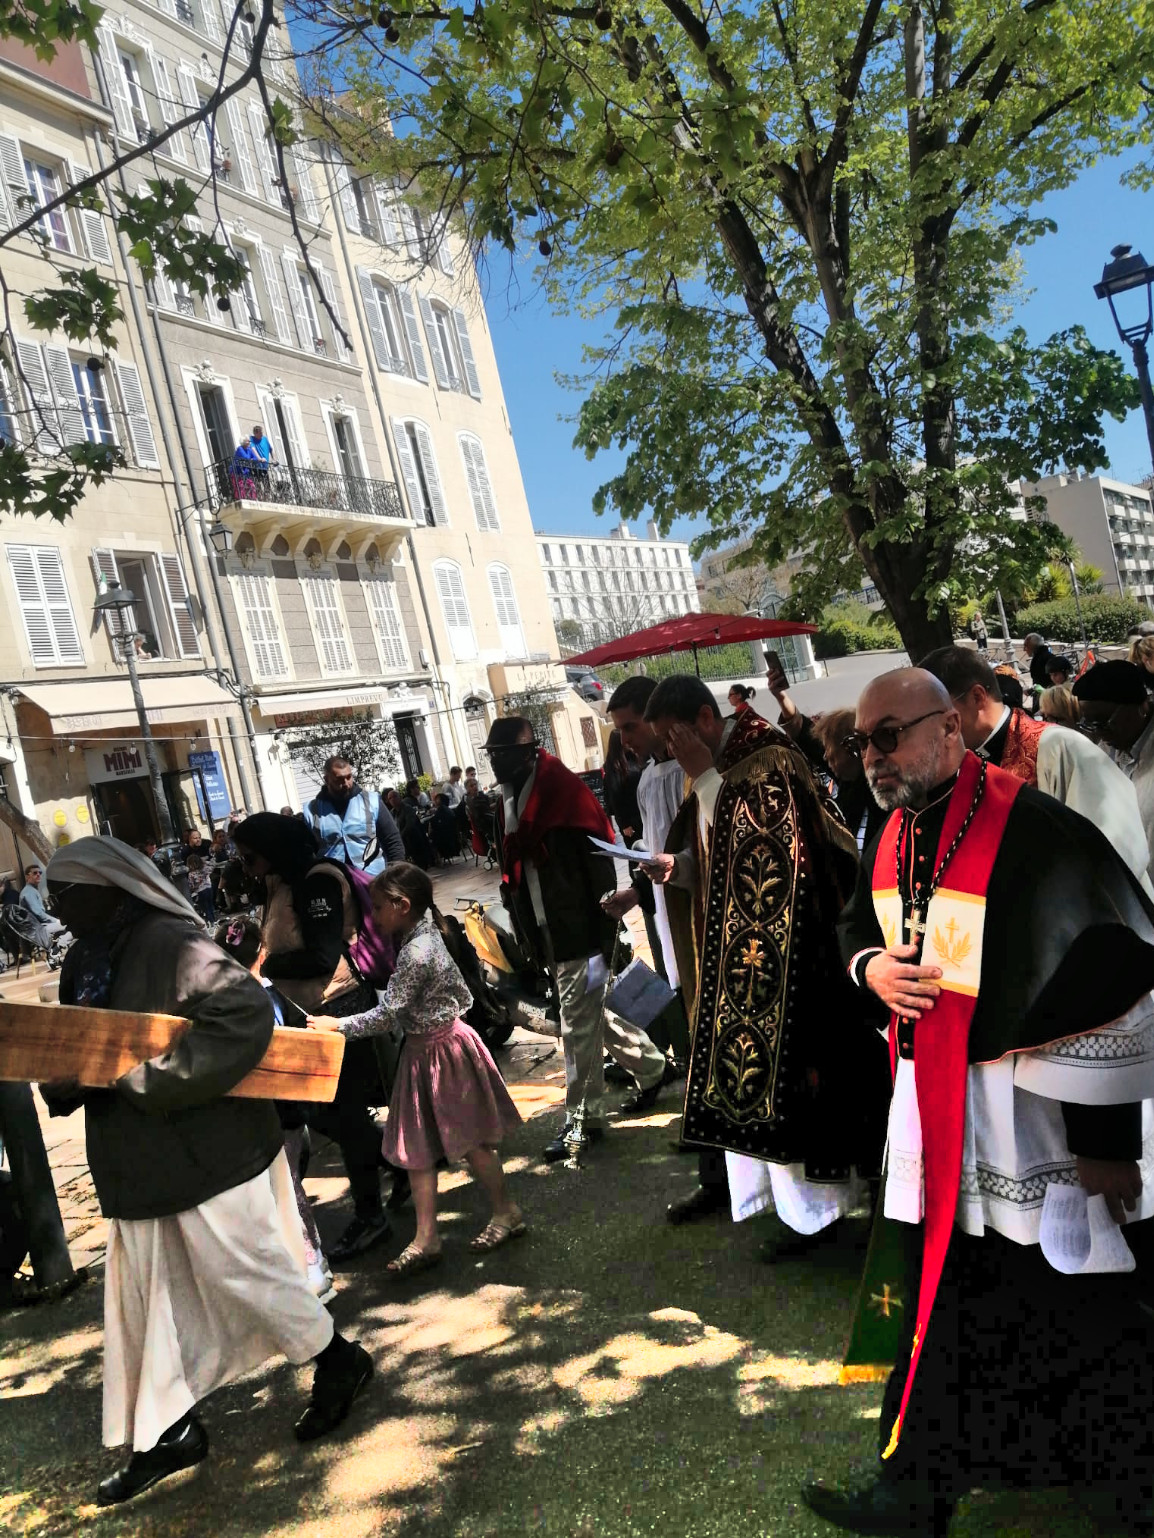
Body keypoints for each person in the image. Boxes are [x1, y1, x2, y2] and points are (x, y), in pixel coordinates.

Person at [810, 668, 1154, 1537]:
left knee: (1080, 1301)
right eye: (862, 742)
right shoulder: (888, 833)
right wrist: (869, 969)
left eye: (889, 736)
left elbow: (1109, 970)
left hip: (1027, 1115)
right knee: (947, 1297)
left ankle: (1123, 1486)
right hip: (930, 1114)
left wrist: (1105, 1138)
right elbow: (854, 931)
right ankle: (912, 1492)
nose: (873, 758)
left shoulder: (1031, 826)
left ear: (951, 728)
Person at [40, 838, 373, 1506]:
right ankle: (166, 1432)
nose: (57, 911)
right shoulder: (84, 958)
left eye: (66, 895)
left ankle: (339, 1361)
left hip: (206, 1154)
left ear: (108, 887)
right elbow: (85, 1042)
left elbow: (242, 1017)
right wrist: (66, 1079)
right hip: (137, 1165)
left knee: (246, 1275)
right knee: (146, 1304)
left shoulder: (172, 944)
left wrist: (144, 1082)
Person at [642, 676, 887, 1254]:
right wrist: (681, 868)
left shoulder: (764, 757)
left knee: (801, 1086)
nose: (664, 751)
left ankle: (821, 1215)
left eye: (669, 737)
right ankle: (796, 1214)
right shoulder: (713, 765)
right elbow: (718, 854)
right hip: (746, 955)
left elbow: (767, 860)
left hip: (795, 957)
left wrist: (704, 777)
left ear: (704, 718)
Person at [310, 863, 523, 1279]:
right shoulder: (419, 934)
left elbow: (389, 1015)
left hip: (442, 1053)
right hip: (425, 1052)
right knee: (417, 1149)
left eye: (376, 907)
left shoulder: (418, 951)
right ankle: (427, 1237)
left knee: (473, 1142)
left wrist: (338, 1026)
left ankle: (506, 1212)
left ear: (401, 906)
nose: (372, 915)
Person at [485, 716, 667, 1160]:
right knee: (589, 1014)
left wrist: (607, 928)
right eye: (491, 755)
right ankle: (653, 1067)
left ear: (527, 752)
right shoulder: (505, 803)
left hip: (582, 934)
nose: (494, 764)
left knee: (576, 1024)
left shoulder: (566, 793)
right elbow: (513, 878)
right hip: (546, 935)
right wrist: (526, 938)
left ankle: (581, 1121)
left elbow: (600, 862)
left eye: (501, 755)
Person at [231, 814, 401, 1263]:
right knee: (316, 1113)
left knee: (343, 1115)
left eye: (249, 857)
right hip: (304, 1013)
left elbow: (322, 957)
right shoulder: (278, 882)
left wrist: (266, 969)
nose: (245, 866)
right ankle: (396, 1161)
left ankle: (371, 1217)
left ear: (272, 847)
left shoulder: (316, 882)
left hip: (338, 1008)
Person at [920, 646, 1153, 890]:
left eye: (934, 715)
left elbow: (1114, 853)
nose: (930, 730)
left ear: (977, 697)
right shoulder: (960, 766)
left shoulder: (1059, 748)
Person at [213, 914, 334, 1304]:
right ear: (262, 954)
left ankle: (312, 1268)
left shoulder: (237, 1002)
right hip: (282, 1110)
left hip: (274, 1112)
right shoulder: (266, 996)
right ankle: (306, 1267)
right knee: (284, 1188)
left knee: (287, 1189)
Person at [605, 676, 687, 991]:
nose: (624, 740)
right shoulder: (646, 780)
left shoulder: (693, 768)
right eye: (619, 731)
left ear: (654, 718)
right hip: (665, 913)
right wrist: (635, 893)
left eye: (630, 727)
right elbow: (655, 848)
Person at [1072, 660, 1154, 886]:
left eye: (1103, 722)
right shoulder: (1109, 747)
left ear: (1142, 705)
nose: (1099, 732)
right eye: (1089, 723)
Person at [301, 755, 404, 875]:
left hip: (373, 879)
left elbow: (392, 840)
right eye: (338, 780)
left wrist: (396, 875)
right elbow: (305, 852)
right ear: (327, 780)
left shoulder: (372, 801)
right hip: (334, 881)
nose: (346, 783)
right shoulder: (311, 810)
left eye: (349, 777)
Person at [602, 728, 643, 843]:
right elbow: (616, 798)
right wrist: (625, 824)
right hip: (630, 821)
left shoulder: (632, 759)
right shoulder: (614, 769)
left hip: (640, 815)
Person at [19, 862, 71, 944]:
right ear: (27, 877)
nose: (38, 874)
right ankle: (59, 946)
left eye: (40, 872)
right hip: (37, 929)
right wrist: (56, 921)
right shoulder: (28, 892)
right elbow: (39, 913)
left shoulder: (32, 890)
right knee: (68, 925)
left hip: (38, 926)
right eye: (35, 873)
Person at [429, 792, 461, 861]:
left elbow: (434, 824)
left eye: (436, 799)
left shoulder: (441, 811)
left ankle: (435, 859)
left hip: (444, 838)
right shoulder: (448, 810)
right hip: (453, 835)